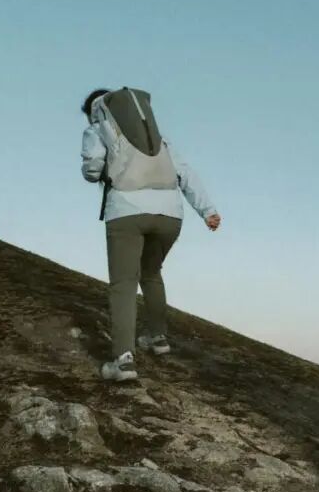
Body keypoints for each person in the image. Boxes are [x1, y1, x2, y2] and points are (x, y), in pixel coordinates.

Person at [79, 88, 222, 381]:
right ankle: (158, 339)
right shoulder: (157, 137)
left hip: (127, 211)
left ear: (96, 109)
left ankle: (123, 361)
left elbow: (93, 169)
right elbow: (185, 173)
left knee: (124, 283)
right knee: (151, 272)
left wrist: (92, 170)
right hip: (170, 216)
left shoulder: (97, 127)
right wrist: (208, 211)